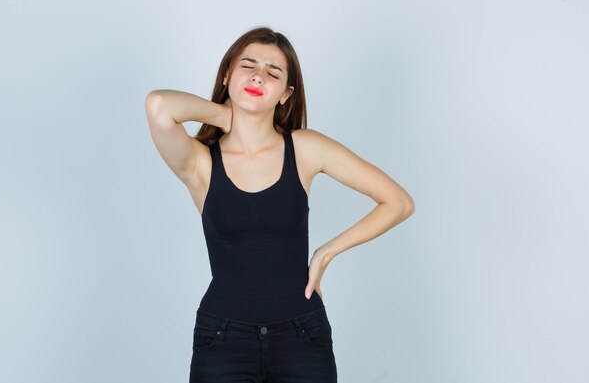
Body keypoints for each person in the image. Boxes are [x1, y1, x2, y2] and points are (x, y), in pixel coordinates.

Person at [144, 26, 415, 383]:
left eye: (273, 73)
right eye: (248, 66)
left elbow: (398, 202)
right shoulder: (200, 162)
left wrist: (326, 253)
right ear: (227, 74)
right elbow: (158, 105)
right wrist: (226, 117)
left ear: (286, 94)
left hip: (302, 336)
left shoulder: (305, 148)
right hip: (223, 339)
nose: (259, 75)